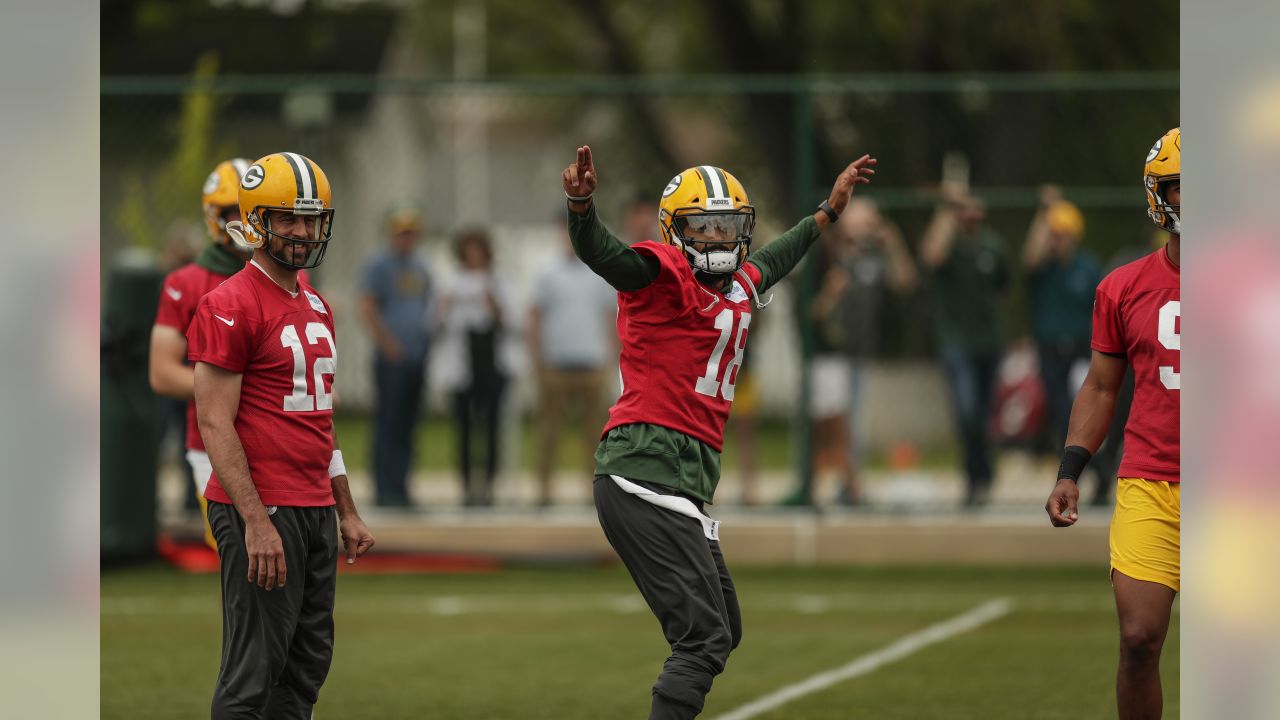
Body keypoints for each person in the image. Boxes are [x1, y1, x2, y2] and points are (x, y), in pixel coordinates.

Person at [563, 145, 876, 719]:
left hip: (678, 478)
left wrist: (826, 213)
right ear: (675, 231)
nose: (717, 239)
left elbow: (777, 258)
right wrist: (581, 207)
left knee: (724, 628)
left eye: (727, 226)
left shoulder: (738, 284)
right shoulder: (662, 272)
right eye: (702, 227)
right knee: (702, 640)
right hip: (644, 469)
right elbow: (606, 255)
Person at [189, 152, 375, 719]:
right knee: (252, 676)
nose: (302, 231)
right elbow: (215, 421)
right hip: (264, 504)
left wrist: (344, 507)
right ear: (255, 220)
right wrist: (253, 519)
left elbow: (319, 419)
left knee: (305, 669)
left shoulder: (316, 303)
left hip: (313, 504)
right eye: (287, 218)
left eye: (311, 218)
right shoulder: (229, 303)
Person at [1045, 127, 1180, 720]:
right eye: (1183, 189)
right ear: (1158, 195)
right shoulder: (1122, 287)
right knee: (1138, 639)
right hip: (1151, 480)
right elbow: (1102, 387)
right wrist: (1070, 469)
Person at [149, 159, 254, 548]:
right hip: (215, 439)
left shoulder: (292, 273)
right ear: (215, 216)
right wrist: (245, 389)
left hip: (282, 439)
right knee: (240, 555)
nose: (245, 221)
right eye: (235, 212)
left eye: (253, 210)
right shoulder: (186, 283)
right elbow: (162, 373)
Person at [804, 198, 917, 506]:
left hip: (860, 354)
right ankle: (832, 486)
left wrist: (892, 242)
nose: (867, 228)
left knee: (853, 425)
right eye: (862, 221)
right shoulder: (827, 256)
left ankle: (849, 486)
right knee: (832, 426)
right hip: (831, 355)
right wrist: (832, 290)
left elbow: (905, 281)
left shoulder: (874, 257)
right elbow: (811, 312)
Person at [920, 187, 1011, 507]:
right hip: (956, 342)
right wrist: (946, 210)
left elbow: (1004, 287)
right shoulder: (949, 243)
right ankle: (975, 476)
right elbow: (932, 255)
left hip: (988, 342)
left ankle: (982, 476)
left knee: (984, 415)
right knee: (967, 411)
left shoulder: (993, 246)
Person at [528, 223, 616, 506]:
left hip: (592, 362)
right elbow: (535, 316)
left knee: (595, 433)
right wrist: (536, 358)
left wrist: (611, 359)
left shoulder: (597, 272)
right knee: (549, 431)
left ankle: (594, 489)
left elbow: (608, 316)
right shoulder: (547, 272)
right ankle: (544, 489)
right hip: (556, 363)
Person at [433, 228, 519, 507]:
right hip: (463, 364)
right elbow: (434, 325)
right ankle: (467, 485)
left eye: (478, 251)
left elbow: (515, 323)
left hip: (492, 362)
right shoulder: (449, 283)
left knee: (492, 426)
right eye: (469, 251)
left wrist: (494, 305)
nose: (474, 257)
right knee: (464, 428)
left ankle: (490, 484)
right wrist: (445, 307)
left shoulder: (499, 282)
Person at [358, 202, 435, 507]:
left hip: (417, 357)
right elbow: (367, 307)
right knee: (388, 421)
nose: (407, 238)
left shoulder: (421, 267)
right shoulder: (378, 265)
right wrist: (388, 344)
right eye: (401, 232)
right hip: (391, 359)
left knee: (408, 424)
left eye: (411, 232)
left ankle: (401, 485)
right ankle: (383, 486)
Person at [1023, 186, 1103, 453]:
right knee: (1058, 409)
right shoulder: (1043, 267)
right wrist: (1045, 213)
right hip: (1050, 348)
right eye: (1053, 235)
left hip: (1081, 348)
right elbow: (1030, 257)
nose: (1057, 241)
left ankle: (1098, 467)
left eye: (1061, 235)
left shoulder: (1088, 266)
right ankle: (1066, 462)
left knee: (1084, 407)